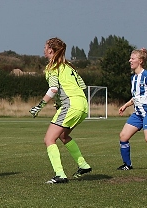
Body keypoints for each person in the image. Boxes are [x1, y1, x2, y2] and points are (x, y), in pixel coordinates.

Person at [28, 37, 92, 184]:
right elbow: (82, 86)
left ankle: (60, 175)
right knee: (63, 136)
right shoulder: (69, 66)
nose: (43, 49)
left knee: (49, 139)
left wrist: (40, 105)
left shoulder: (52, 66)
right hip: (82, 105)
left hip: (71, 105)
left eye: (45, 47)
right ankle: (83, 165)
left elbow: (53, 89)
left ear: (51, 49)